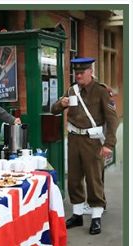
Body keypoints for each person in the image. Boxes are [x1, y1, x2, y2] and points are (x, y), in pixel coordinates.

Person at [51, 58, 119, 235]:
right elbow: (53, 109)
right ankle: (77, 214)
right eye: (76, 72)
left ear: (91, 71)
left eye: (82, 72)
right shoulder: (72, 90)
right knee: (74, 179)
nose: (78, 75)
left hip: (93, 141)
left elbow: (112, 120)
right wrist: (61, 104)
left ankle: (96, 217)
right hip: (74, 139)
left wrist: (109, 144)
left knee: (93, 178)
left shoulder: (101, 92)